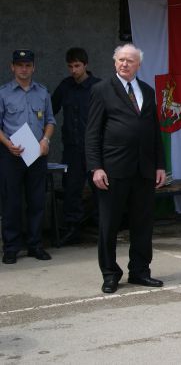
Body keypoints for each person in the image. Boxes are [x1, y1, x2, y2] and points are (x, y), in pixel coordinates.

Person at [85, 44, 166, 294]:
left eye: (130, 61)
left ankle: (140, 271)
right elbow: (92, 133)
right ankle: (110, 273)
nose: (125, 64)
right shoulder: (101, 90)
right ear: (114, 62)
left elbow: (154, 131)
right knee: (109, 225)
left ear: (138, 65)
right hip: (113, 170)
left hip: (144, 170)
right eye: (121, 60)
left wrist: (160, 165)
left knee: (142, 224)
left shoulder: (148, 91)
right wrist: (96, 167)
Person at [0, 49, 56, 264]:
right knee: (11, 202)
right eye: (20, 65)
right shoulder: (3, 93)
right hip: (11, 155)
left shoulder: (42, 92)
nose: (24, 69)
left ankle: (35, 245)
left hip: (37, 155)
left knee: (36, 201)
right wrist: (8, 144)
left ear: (34, 67)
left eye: (28, 65)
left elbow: (50, 121)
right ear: (12, 67)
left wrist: (46, 141)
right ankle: (12, 247)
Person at [52, 48, 102, 244]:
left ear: (86, 65)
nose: (73, 70)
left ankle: (103, 227)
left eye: (77, 66)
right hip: (72, 148)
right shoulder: (65, 86)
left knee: (100, 189)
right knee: (71, 189)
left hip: (93, 148)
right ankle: (72, 229)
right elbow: (50, 110)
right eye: (70, 66)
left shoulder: (98, 87)